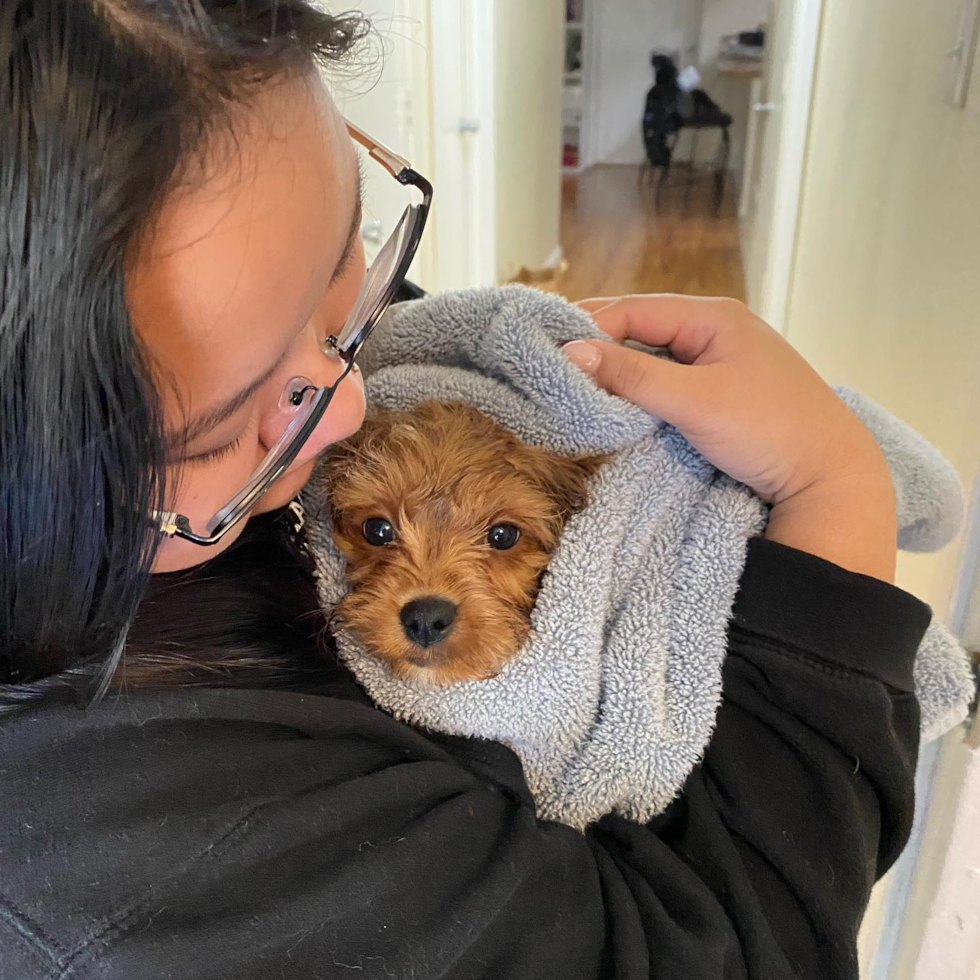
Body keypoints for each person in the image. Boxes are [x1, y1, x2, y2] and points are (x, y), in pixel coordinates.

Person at [0, 3, 924, 978]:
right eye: (235, 417)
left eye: (340, 266)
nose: (353, 400)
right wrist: (832, 481)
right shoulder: (130, 856)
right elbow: (744, 951)